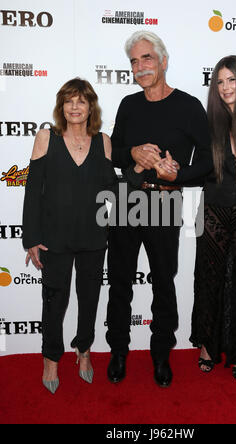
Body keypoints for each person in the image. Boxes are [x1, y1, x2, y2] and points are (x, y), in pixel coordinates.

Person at [156, 55, 236, 383]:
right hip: (213, 213)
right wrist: (174, 175)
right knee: (208, 282)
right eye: (220, 82)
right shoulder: (209, 124)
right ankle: (207, 347)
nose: (226, 87)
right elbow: (198, 171)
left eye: (231, 80)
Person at [106, 30, 212, 388]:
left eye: (146, 58)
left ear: (163, 61)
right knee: (119, 281)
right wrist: (132, 154)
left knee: (163, 283)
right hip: (127, 199)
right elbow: (114, 155)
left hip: (166, 201)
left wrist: (180, 174)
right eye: (134, 61)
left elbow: (210, 162)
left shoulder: (189, 106)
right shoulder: (128, 105)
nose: (140, 67)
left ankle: (161, 355)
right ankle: (118, 350)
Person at [22, 78, 116, 394]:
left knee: (89, 299)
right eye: (69, 101)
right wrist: (31, 238)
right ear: (62, 107)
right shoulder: (46, 137)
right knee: (54, 301)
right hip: (54, 237)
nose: (75, 107)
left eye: (81, 101)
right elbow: (33, 192)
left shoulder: (103, 140)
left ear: (91, 107)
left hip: (93, 237)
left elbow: (110, 193)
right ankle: (51, 358)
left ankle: (84, 350)